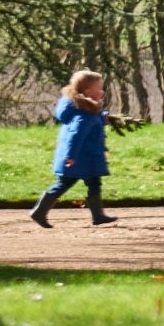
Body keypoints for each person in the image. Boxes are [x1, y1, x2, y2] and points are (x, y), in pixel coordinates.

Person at [31, 70, 122, 228]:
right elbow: (76, 135)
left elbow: (94, 118)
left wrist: (104, 117)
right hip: (80, 158)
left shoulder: (83, 109)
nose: (102, 91)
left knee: (93, 182)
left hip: (86, 157)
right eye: (99, 88)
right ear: (87, 92)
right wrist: (71, 156)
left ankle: (98, 215)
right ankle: (39, 211)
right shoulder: (83, 114)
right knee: (65, 183)